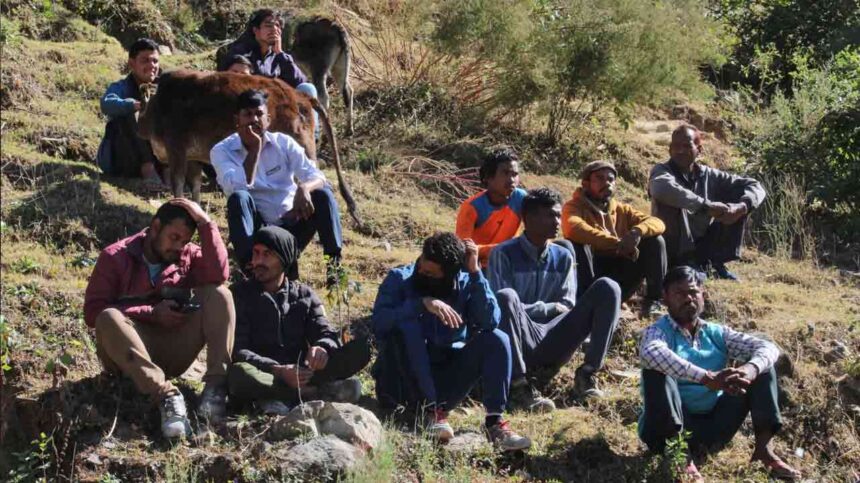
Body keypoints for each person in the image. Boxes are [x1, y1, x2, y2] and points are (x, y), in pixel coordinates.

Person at [83, 199, 234, 439]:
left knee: (219, 294)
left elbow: (219, 274)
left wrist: (206, 223)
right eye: (174, 237)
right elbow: (93, 313)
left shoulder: (187, 255)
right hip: (128, 354)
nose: (179, 246)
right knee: (108, 316)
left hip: (172, 348)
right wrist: (151, 313)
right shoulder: (115, 256)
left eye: (184, 241)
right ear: (155, 227)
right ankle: (167, 396)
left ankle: (215, 390)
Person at [371, 232, 531, 451]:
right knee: (408, 326)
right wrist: (421, 304)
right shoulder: (400, 279)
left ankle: (495, 424)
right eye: (421, 267)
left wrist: (475, 273)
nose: (421, 273)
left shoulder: (466, 282)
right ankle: (429, 411)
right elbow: (379, 323)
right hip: (402, 381)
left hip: (446, 377)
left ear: (450, 275)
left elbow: (490, 321)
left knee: (496, 338)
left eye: (430, 274)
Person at [638, 266, 800, 481]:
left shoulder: (716, 333)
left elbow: (768, 348)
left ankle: (764, 451)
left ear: (703, 296)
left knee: (762, 366)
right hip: (664, 431)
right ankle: (680, 457)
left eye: (693, 292)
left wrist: (749, 370)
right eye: (679, 293)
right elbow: (651, 354)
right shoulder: (657, 331)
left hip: (714, 426)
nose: (688, 299)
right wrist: (706, 378)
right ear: (665, 298)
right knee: (656, 373)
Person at [490, 188, 621, 408]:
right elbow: (500, 308)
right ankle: (518, 387)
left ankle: (587, 376)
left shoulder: (563, 256)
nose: (557, 221)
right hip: (520, 337)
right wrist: (545, 308)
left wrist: (529, 310)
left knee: (609, 287)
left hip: (555, 335)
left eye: (559, 215)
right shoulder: (503, 254)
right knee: (506, 297)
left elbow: (568, 305)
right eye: (551, 215)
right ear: (530, 219)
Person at [227, 226, 371, 414]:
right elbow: (238, 350)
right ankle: (311, 393)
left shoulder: (305, 295)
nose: (258, 261)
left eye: (267, 254)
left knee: (360, 348)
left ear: (284, 259)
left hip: (303, 372)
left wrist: (322, 348)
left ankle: (292, 394)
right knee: (239, 374)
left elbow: (325, 332)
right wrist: (278, 370)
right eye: (256, 253)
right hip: (266, 373)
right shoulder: (238, 294)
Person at [210, 89, 343, 285]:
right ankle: (251, 271)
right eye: (247, 114)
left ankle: (334, 269)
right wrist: (254, 150)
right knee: (239, 199)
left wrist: (304, 188)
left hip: (291, 223)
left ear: (268, 119)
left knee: (322, 195)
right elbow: (234, 187)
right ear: (236, 119)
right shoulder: (222, 151)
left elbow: (318, 176)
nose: (254, 119)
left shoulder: (284, 143)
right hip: (257, 231)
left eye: (259, 114)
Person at [648, 125, 766, 281]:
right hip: (672, 248)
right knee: (669, 201)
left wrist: (741, 207)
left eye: (686, 146)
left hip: (701, 244)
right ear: (669, 149)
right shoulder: (661, 171)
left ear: (699, 149)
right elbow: (661, 189)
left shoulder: (708, 175)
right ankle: (681, 265)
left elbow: (755, 186)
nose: (680, 151)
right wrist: (705, 206)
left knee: (740, 198)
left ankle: (713, 263)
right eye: (676, 146)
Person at [563, 160, 667, 316]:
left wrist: (636, 232)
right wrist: (617, 244)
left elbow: (658, 223)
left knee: (655, 241)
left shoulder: (621, 209)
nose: (607, 183)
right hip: (590, 275)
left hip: (620, 271)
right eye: (599, 178)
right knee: (574, 246)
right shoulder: (573, 207)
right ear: (585, 184)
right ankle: (583, 306)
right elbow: (574, 228)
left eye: (611, 179)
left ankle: (653, 301)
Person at [96, 38, 166, 191]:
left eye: (155, 61)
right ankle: (147, 169)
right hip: (123, 158)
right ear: (132, 64)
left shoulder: (163, 87)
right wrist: (134, 105)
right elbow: (106, 103)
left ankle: (169, 171)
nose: (151, 66)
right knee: (129, 114)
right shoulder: (121, 87)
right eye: (145, 61)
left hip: (158, 157)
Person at [455, 148, 527, 269]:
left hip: (510, 263)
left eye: (515, 174)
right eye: (505, 173)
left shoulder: (521, 198)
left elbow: (535, 233)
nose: (512, 180)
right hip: (478, 267)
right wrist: (505, 249)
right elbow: (463, 250)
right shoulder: (472, 207)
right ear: (488, 177)